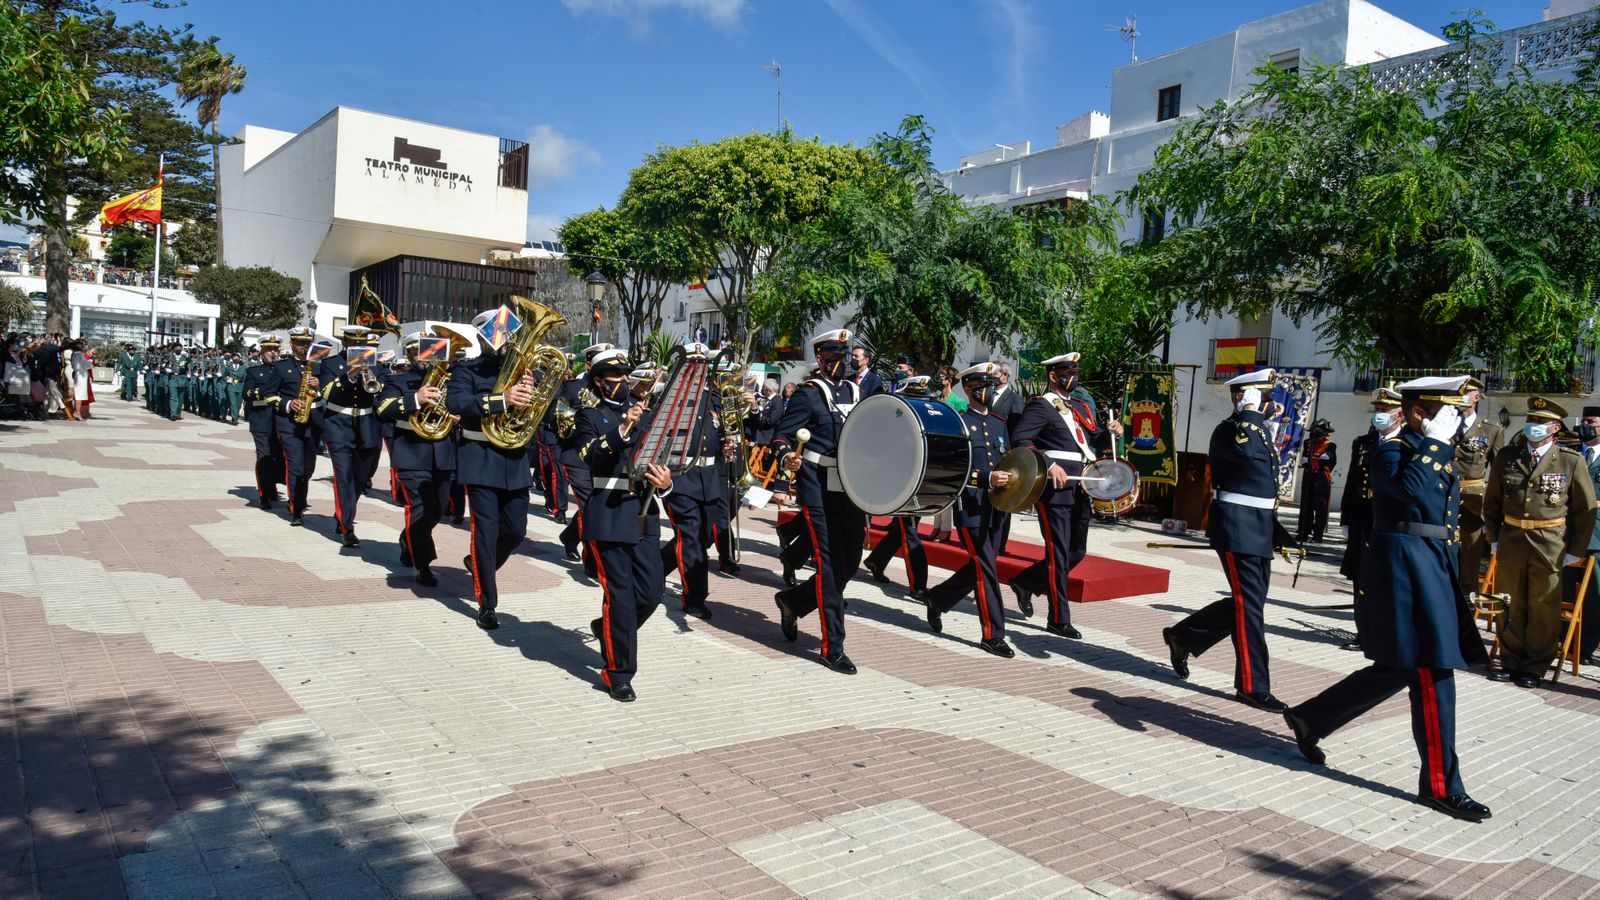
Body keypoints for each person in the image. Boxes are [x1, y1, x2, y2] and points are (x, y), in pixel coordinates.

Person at [1284, 375, 1492, 822]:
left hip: (1433, 568)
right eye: (1447, 413)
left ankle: (1311, 720)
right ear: (1420, 413)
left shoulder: (1431, 451)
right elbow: (1411, 491)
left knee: (1399, 668)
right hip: (1407, 575)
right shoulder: (1391, 451)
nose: (1456, 421)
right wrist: (1435, 444)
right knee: (1435, 673)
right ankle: (1441, 787)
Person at [1163, 368, 1285, 710]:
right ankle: (1251, 685)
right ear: (1243, 397)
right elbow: (1245, 458)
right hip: (1237, 528)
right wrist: (1248, 414)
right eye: (1261, 396)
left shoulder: (1256, 429)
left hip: (1258, 527)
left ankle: (1182, 636)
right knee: (1249, 608)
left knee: (1249, 605)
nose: (1267, 403)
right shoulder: (1233, 429)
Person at [577, 349, 675, 701]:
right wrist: (623, 427)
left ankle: (607, 631)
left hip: (644, 512)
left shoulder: (649, 416)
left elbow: (665, 458)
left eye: (625, 376)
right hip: (608, 512)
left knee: (651, 593)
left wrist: (667, 482)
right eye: (615, 377)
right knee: (619, 597)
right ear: (601, 381)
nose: (623, 382)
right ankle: (618, 672)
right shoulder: (589, 414)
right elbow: (589, 454)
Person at [771, 328, 866, 674]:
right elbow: (781, 435)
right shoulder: (810, 394)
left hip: (852, 486)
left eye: (846, 356)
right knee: (828, 565)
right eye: (836, 357)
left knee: (850, 563)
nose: (843, 363)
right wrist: (786, 459)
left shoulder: (859, 391)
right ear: (822, 359)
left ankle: (793, 601)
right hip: (818, 485)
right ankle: (833, 647)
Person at [1483, 396, 1596, 688]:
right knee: (1508, 601)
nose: (1533, 425)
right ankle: (1509, 660)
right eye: (1531, 420)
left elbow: (1584, 510)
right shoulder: (1509, 456)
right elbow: (1492, 501)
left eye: (1540, 422)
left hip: (1549, 543)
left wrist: (1575, 550)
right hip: (1511, 539)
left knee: (1543, 605)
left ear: (1555, 428)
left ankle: (1534, 666)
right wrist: (1493, 538)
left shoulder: (1571, 461)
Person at [1010, 352, 1122, 638]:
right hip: (1056, 489)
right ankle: (1058, 617)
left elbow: (1088, 440)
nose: (1073, 377)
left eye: (1075, 371)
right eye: (1067, 372)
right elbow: (1021, 440)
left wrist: (1111, 431)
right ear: (1053, 376)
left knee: (1077, 551)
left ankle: (1026, 581)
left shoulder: (1080, 407)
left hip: (1081, 484)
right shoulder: (1041, 407)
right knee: (1058, 553)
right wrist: (1048, 465)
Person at [447, 306, 538, 630]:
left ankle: (478, 565)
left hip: (513, 460)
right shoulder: (467, 369)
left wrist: (532, 388)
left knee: (516, 530)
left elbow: (544, 407)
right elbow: (455, 403)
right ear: (484, 337)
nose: (503, 340)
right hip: (480, 458)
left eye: (506, 333)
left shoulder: (522, 371)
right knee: (485, 534)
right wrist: (502, 399)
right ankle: (487, 602)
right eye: (496, 334)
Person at [923, 362, 1015, 657]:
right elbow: (954, 467)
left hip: (999, 507)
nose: (989, 390)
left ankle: (938, 598)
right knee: (987, 568)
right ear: (969, 389)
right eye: (983, 386)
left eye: (991, 384)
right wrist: (986, 478)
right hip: (972, 507)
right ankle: (993, 634)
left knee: (982, 563)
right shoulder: (960, 423)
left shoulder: (1000, 423)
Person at [377, 332, 458, 587]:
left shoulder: (449, 381)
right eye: (419, 352)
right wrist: (415, 398)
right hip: (412, 453)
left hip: (443, 452)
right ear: (409, 354)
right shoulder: (397, 380)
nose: (425, 358)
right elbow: (382, 409)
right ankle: (423, 565)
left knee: (440, 508)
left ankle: (407, 538)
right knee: (420, 509)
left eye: (431, 352)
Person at [658, 343, 729, 620]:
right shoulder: (671, 397)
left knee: (700, 537)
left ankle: (654, 569)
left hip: (709, 479)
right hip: (681, 477)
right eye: (694, 366)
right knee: (690, 540)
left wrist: (727, 446)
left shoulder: (713, 398)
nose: (699, 371)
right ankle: (695, 597)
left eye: (702, 366)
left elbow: (718, 433)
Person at [862, 375, 932, 597]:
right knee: (909, 532)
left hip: (918, 482)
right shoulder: (894, 416)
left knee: (903, 529)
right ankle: (918, 585)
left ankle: (876, 560)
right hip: (899, 485)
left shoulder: (919, 416)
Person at [318, 326, 384, 547]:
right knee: (344, 476)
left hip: (367, 425)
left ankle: (343, 514)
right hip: (339, 425)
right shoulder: (330, 363)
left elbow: (382, 395)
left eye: (361, 345)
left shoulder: (377, 363)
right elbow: (326, 393)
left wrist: (373, 378)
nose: (358, 348)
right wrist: (351, 374)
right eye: (353, 345)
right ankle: (347, 527)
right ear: (345, 344)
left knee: (359, 478)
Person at [558, 343, 615, 573]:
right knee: (589, 507)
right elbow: (557, 421)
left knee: (592, 506)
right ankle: (592, 560)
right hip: (577, 457)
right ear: (590, 365)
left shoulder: (614, 393)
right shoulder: (573, 389)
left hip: (604, 460)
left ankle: (569, 537)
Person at [1340, 389, 1404, 584]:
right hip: (1362, 512)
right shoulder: (1363, 443)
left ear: (1399, 415)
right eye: (1376, 410)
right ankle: (1360, 613)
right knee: (1359, 570)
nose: (1378, 415)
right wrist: (1346, 517)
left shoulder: (1407, 444)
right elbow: (1352, 480)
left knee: (1384, 572)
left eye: (1384, 410)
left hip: (1389, 516)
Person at [1455, 381, 1504, 592]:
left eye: (1465, 394)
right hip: (1441, 495)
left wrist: (1495, 507)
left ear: (1476, 398)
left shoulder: (1492, 429)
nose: (1460, 398)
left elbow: (1498, 471)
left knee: (1470, 550)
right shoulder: (1442, 424)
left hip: (1472, 499)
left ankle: (1467, 595)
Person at [243, 338, 285, 510]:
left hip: (281, 420)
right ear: (261, 352)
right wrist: (265, 391)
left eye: (275, 349)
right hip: (261, 420)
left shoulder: (284, 370)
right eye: (269, 349)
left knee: (279, 457)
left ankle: (273, 486)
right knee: (264, 457)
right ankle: (264, 494)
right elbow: (247, 393)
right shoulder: (254, 372)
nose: (273, 353)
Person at [1573, 406, 1600, 664]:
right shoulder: (1570, 453)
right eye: (1584, 420)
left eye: (1590, 421)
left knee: (1594, 596)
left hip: (1597, 537)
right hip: (1567, 533)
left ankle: (1586, 647)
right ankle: (1563, 640)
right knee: (1564, 592)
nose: (1585, 425)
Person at [1297, 419, 1336, 543]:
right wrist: (1314, 459)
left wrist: (1315, 459)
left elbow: (1329, 459)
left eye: (1320, 429)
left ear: (1325, 432)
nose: (1316, 431)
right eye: (1315, 429)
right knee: (1305, 504)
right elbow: (1303, 459)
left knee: (1321, 506)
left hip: (1321, 476)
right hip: (1308, 474)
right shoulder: (1307, 442)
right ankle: (1303, 532)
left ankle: (1317, 535)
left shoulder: (1330, 445)